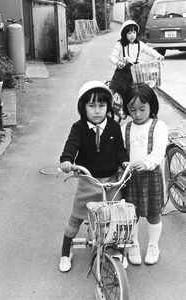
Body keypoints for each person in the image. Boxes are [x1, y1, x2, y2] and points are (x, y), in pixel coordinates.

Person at [59, 80, 129, 272]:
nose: (97, 110)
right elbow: (71, 146)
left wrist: (124, 162)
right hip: (88, 180)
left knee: (115, 217)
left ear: (107, 106)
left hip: (112, 181)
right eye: (92, 106)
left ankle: (115, 249)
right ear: (83, 107)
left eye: (101, 105)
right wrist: (66, 160)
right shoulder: (79, 128)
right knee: (76, 217)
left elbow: (121, 150)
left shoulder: (114, 126)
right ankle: (66, 251)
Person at [121, 83, 168, 265]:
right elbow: (121, 153)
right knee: (132, 215)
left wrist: (146, 163)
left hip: (151, 177)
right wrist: (122, 163)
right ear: (127, 109)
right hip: (130, 178)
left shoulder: (158, 126)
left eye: (142, 109)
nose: (137, 114)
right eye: (132, 110)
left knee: (153, 214)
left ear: (152, 106)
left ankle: (153, 245)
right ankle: (133, 244)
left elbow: (158, 153)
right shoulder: (124, 128)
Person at [109, 19, 163, 101]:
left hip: (136, 71)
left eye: (134, 33)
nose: (132, 35)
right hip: (122, 70)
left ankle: (128, 107)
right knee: (113, 89)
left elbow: (149, 50)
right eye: (129, 33)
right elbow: (112, 56)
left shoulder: (139, 44)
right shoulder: (120, 44)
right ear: (124, 34)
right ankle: (108, 103)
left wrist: (158, 55)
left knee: (133, 92)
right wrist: (117, 62)